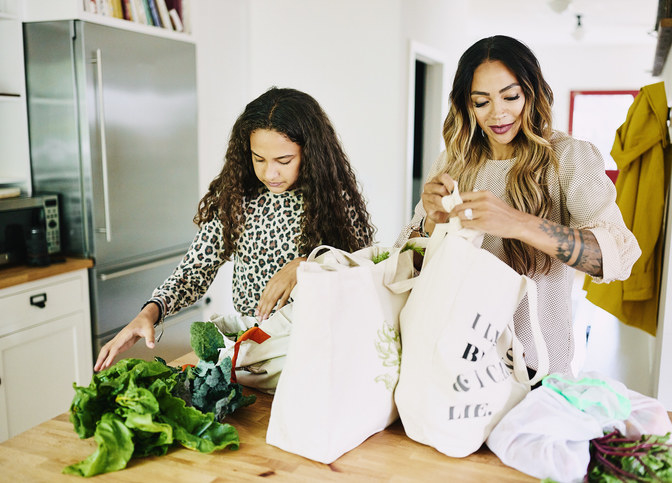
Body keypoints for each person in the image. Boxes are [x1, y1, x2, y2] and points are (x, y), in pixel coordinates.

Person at [396, 36, 641, 376]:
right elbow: (407, 268)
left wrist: (517, 223)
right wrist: (432, 224)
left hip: (535, 372)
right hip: (456, 364)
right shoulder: (452, 162)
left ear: (532, 93)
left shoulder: (568, 158)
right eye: (481, 102)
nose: (497, 113)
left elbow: (617, 259)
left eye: (510, 96)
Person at [95, 87, 375, 371]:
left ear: (311, 153)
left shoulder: (335, 200)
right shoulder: (236, 199)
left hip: (318, 350)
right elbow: (194, 271)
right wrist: (149, 312)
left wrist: (308, 264)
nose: (269, 173)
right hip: (251, 351)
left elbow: (364, 276)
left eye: (284, 160)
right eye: (259, 159)